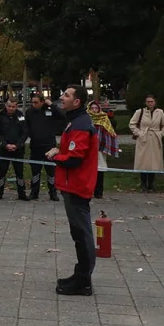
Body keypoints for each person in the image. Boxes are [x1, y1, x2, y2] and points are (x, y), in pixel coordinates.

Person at [46, 85, 99, 296]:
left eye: (66, 95)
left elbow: (75, 159)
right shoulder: (76, 121)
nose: (62, 97)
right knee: (78, 232)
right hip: (73, 184)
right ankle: (80, 274)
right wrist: (60, 150)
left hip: (77, 185)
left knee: (81, 233)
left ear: (77, 102)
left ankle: (84, 280)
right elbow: (73, 150)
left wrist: (54, 157)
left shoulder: (80, 124)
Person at [25, 94, 61, 201]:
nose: (33, 104)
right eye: (32, 102)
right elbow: (26, 127)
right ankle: (34, 192)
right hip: (36, 146)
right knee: (35, 171)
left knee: (51, 171)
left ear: (42, 102)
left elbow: (62, 115)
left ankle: (53, 192)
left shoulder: (50, 110)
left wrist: (52, 105)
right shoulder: (29, 112)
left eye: (36, 102)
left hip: (49, 146)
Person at [129, 95, 164, 192]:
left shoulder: (160, 112)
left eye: (151, 101)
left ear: (155, 102)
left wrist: (160, 133)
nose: (150, 103)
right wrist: (139, 133)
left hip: (155, 138)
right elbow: (132, 124)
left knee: (153, 162)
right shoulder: (140, 112)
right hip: (143, 139)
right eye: (148, 101)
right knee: (143, 162)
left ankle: (151, 184)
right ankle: (143, 183)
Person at [0, 99, 28, 201]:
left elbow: (25, 132)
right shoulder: (0, 116)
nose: (11, 108)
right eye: (9, 106)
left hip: (18, 150)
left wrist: (17, 145)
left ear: (16, 106)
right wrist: (5, 144)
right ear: (6, 105)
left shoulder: (21, 116)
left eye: (13, 106)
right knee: (1, 173)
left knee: (19, 173)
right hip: (4, 150)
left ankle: (22, 193)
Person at [88, 101, 119, 199]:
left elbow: (110, 132)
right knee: (88, 171)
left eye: (96, 108)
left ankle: (99, 192)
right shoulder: (86, 118)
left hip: (100, 148)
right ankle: (89, 190)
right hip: (88, 148)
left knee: (99, 170)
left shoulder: (104, 118)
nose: (94, 110)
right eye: (92, 108)